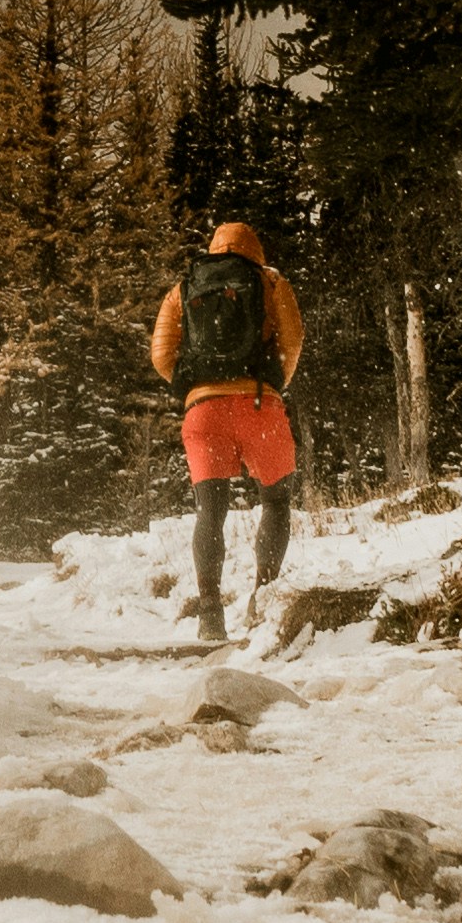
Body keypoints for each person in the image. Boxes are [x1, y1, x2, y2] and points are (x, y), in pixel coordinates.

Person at [150, 216, 303, 642]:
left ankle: (210, 615)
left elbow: (161, 354)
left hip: (204, 412)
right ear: (253, 247)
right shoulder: (270, 282)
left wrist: (193, 385)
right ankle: (263, 598)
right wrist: (273, 381)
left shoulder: (184, 288)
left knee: (210, 512)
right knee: (275, 500)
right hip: (259, 404)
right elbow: (293, 341)